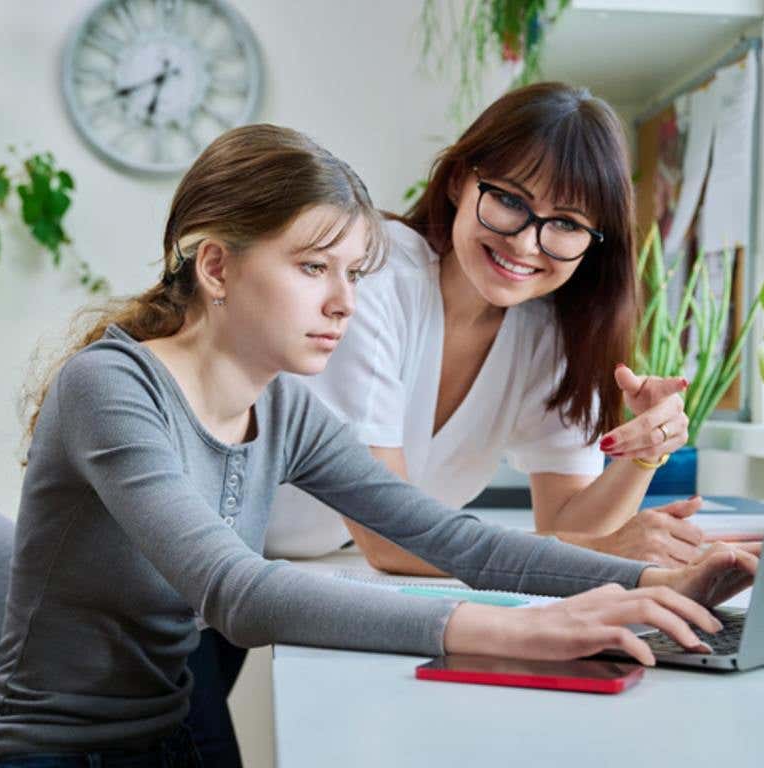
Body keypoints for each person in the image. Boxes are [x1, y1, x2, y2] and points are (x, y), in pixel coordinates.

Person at [0, 125, 757, 766]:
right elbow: (238, 593)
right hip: (50, 752)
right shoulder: (110, 388)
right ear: (216, 265)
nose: (344, 302)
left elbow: (454, 541)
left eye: (353, 272)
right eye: (314, 268)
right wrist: (510, 629)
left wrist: (655, 579)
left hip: (168, 733)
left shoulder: (283, 408)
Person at [266, 82, 707, 575]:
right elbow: (388, 538)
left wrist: (643, 455)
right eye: (510, 200)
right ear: (459, 181)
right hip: (216, 561)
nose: (525, 243)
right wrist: (601, 554)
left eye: (565, 223)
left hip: (318, 573)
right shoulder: (374, 280)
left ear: (592, 244)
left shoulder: (552, 335)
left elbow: (573, 523)